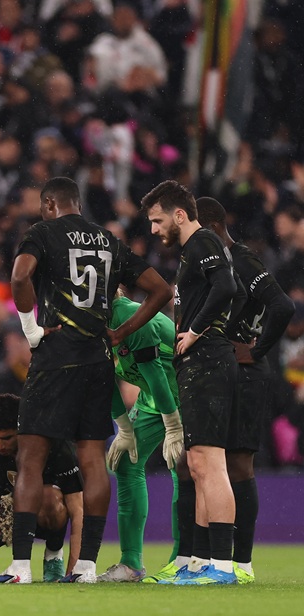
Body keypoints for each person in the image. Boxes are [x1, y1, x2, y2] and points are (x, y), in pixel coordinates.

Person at [0, 176, 171, 584]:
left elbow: (21, 277)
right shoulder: (108, 240)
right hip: (98, 360)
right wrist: (120, 333)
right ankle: (88, 566)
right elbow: (160, 290)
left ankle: (21, 566)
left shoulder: (42, 232)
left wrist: (30, 330)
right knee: (92, 459)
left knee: (31, 459)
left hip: (55, 359)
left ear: (48, 205)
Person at [145, 180, 239, 585]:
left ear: (178, 214)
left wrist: (196, 331)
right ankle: (201, 563)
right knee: (198, 464)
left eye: (156, 219)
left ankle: (222, 565)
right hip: (200, 364)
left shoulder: (201, 242)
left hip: (209, 362)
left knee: (211, 463)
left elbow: (227, 287)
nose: (153, 229)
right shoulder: (193, 250)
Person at [198, 196, 294, 584]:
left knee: (237, 465)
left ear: (209, 226)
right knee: (213, 463)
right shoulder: (218, 262)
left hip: (246, 372)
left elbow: (282, 306)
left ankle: (243, 561)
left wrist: (257, 349)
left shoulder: (241, 259)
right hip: (225, 369)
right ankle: (209, 558)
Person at [0, 393, 83, 582]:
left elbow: (78, 510)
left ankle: (53, 555)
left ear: (21, 429)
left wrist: (75, 569)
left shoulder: (54, 443)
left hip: (42, 512)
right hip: (3, 510)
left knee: (50, 497)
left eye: (6, 438)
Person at [98, 292, 185, 583]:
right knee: (125, 463)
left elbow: (155, 370)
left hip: (182, 395)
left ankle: (182, 560)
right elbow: (103, 378)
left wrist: (173, 425)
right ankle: (131, 563)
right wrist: (123, 427)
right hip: (151, 397)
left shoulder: (131, 316)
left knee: (181, 468)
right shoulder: (86, 323)